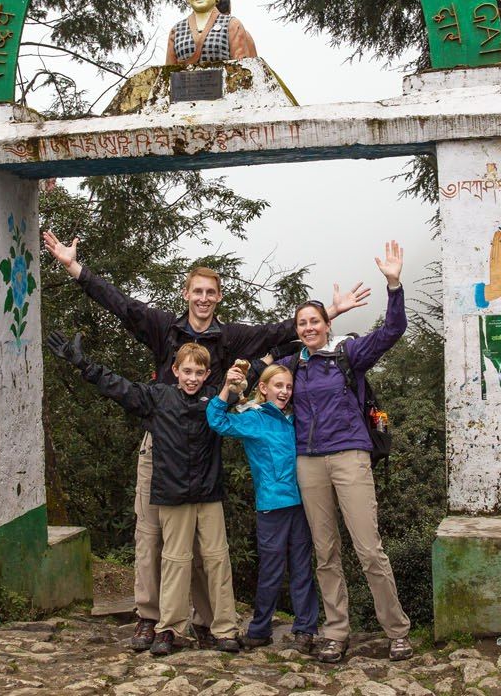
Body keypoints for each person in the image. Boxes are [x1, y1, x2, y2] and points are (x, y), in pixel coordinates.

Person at [41, 230, 366, 651]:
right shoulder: (163, 327)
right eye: (197, 291)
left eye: (211, 292)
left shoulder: (230, 337)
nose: (203, 298)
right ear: (186, 293)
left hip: (204, 448)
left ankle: (207, 621)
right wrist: (74, 267)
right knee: (151, 536)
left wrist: (328, 313)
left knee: (203, 545)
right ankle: (150, 617)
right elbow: (120, 304)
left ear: (219, 297)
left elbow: (279, 332)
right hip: (160, 443)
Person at [45, 335, 240, 656]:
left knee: (217, 560)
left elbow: (245, 388)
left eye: (199, 373)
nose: (192, 378)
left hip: (208, 492)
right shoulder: (157, 398)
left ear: (207, 375)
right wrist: (83, 364)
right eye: (186, 371)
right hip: (172, 493)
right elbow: (118, 388)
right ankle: (169, 627)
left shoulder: (214, 400)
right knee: (175, 561)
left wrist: (239, 379)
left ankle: (224, 628)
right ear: (175, 370)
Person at [284, 240, 412, 664]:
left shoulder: (347, 354)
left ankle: (396, 630)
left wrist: (393, 285)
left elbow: (392, 332)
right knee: (325, 552)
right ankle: (336, 631)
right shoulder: (290, 366)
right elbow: (257, 367)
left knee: (368, 548)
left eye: (314, 321)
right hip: (307, 461)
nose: (308, 327)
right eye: (301, 323)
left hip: (350, 456)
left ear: (326, 323)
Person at [206, 362, 319, 653]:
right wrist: (227, 388)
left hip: (304, 503)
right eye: (278, 386)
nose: (284, 391)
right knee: (271, 569)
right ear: (264, 389)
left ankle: (305, 630)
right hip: (271, 505)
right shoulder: (253, 418)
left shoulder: (298, 417)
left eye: (289, 386)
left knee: (302, 569)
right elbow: (217, 421)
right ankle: (259, 629)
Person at [163, 0, 258, 65]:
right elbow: (168, 71)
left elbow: (242, 67)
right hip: (185, 80)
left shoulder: (231, 24)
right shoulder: (177, 29)